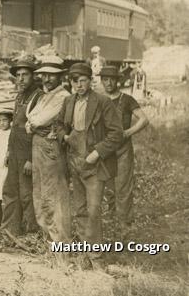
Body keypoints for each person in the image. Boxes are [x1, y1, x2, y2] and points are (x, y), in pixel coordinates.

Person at [63, 62, 123, 262]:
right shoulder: (68, 101)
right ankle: (83, 254)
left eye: (83, 81)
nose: (79, 85)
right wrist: (65, 136)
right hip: (75, 162)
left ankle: (96, 256)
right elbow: (59, 126)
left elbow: (117, 134)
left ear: (90, 81)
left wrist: (97, 153)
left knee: (94, 210)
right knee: (79, 209)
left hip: (95, 164)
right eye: (75, 81)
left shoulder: (103, 102)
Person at [25, 55, 71, 243]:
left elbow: (37, 120)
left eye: (52, 75)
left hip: (51, 149)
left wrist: (34, 124)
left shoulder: (63, 97)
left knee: (55, 196)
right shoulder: (44, 96)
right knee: (40, 194)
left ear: (60, 76)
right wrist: (34, 124)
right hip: (38, 146)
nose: (47, 79)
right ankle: (50, 241)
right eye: (44, 75)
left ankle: (62, 244)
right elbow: (29, 124)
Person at [100, 65, 148, 226]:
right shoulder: (99, 100)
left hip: (123, 150)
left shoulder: (126, 99)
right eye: (105, 80)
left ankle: (125, 223)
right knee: (108, 186)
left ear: (118, 81)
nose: (108, 83)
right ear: (101, 81)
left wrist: (128, 132)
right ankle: (112, 218)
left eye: (111, 80)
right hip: (105, 150)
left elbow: (144, 119)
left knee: (123, 186)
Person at [1, 58, 42, 239]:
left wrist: (31, 159)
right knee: (10, 190)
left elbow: (39, 131)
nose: (21, 79)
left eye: (25, 75)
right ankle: (10, 230)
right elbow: (15, 126)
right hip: (15, 150)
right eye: (18, 75)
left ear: (33, 76)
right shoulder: (19, 96)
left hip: (28, 152)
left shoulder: (38, 97)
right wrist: (9, 150)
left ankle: (32, 232)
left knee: (27, 195)